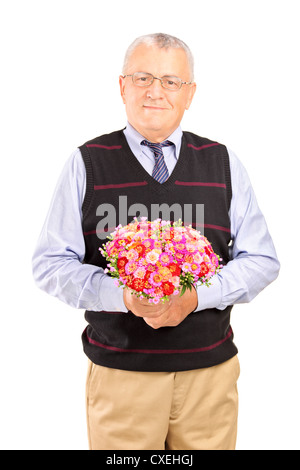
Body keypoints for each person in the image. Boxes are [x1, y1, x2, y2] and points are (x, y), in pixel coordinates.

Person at [32, 33, 280, 450]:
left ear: (190, 94)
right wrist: (123, 296)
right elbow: (51, 263)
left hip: (209, 374)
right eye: (143, 77)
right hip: (122, 377)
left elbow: (261, 259)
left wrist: (194, 297)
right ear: (122, 86)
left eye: (171, 81)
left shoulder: (221, 161)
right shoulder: (87, 162)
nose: (155, 92)